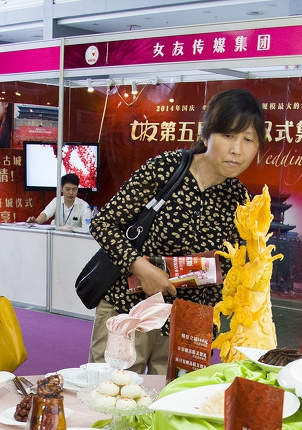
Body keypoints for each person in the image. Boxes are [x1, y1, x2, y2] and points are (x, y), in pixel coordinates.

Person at [88, 88, 264, 374]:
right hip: (130, 307)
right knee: (113, 399)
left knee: (172, 406)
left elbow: (230, 267)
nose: (237, 150)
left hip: (189, 325)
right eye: (229, 136)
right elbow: (103, 223)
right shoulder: (166, 169)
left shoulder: (240, 201)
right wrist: (143, 269)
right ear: (207, 135)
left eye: (248, 140)